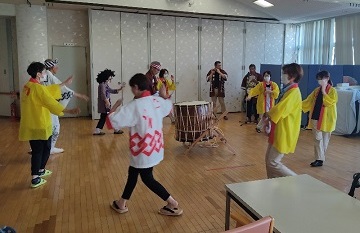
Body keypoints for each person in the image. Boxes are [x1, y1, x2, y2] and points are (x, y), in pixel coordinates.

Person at [108, 73, 183, 216]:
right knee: (133, 172)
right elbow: (168, 106)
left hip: (142, 150)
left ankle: (173, 204)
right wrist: (164, 96)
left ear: (136, 87)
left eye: (132, 88)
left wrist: (114, 107)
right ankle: (121, 202)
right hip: (154, 147)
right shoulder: (156, 101)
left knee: (147, 178)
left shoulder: (134, 106)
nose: (132, 91)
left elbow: (113, 122)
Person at [19, 62, 80, 188]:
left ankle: (40, 170)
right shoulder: (38, 88)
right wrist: (68, 111)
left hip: (32, 124)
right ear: (38, 74)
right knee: (39, 151)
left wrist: (63, 84)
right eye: (44, 71)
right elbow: (50, 102)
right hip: (39, 124)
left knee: (45, 148)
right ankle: (35, 179)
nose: (45, 73)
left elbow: (47, 91)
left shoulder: (28, 86)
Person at [262, 63, 303, 178]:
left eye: (285, 73)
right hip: (278, 129)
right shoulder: (288, 90)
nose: (282, 76)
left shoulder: (294, 92)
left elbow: (280, 109)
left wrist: (267, 115)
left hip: (285, 131)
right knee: (268, 160)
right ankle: (271, 182)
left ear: (292, 76)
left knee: (273, 162)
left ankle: (296, 179)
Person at [42, 58, 89, 154]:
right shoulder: (51, 77)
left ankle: (44, 147)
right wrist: (80, 95)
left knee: (47, 127)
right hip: (51, 106)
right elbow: (64, 89)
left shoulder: (43, 75)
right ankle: (50, 148)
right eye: (56, 66)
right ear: (52, 67)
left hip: (43, 106)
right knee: (55, 127)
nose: (57, 68)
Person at [302, 71, 338, 167]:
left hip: (327, 119)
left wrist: (324, 92)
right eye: (318, 79)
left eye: (320, 78)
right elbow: (308, 101)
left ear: (327, 78)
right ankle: (319, 159)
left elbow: (329, 102)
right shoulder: (316, 91)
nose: (319, 81)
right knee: (318, 139)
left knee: (325, 139)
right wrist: (297, 105)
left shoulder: (333, 91)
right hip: (315, 117)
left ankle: (320, 157)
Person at [93, 69, 125, 135]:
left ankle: (98, 130)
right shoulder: (102, 85)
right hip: (104, 105)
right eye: (110, 77)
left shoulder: (105, 84)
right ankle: (115, 129)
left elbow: (110, 90)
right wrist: (106, 101)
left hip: (106, 104)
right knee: (109, 116)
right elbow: (103, 94)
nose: (110, 78)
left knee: (105, 117)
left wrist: (119, 89)